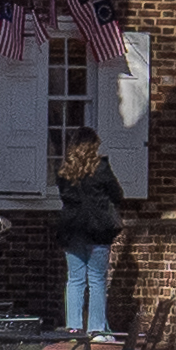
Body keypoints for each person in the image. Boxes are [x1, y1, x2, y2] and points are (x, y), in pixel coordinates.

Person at [52, 135, 125, 334]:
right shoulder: (101, 168)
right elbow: (117, 195)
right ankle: (96, 330)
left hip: (72, 229)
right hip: (98, 229)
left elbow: (64, 197)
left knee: (75, 280)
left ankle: (73, 328)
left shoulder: (64, 171)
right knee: (97, 280)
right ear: (93, 146)